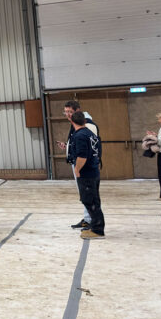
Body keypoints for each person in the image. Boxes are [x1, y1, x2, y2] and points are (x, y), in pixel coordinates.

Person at [57, 100, 100, 230]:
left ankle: (94, 222)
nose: (68, 114)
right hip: (80, 164)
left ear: (78, 111)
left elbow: (88, 146)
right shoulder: (77, 125)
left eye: (70, 112)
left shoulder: (87, 124)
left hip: (85, 167)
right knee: (85, 195)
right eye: (66, 112)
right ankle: (88, 219)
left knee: (89, 195)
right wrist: (67, 146)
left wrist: (78, 168)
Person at [71, 111, 104, 239]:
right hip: (94, 171)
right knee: (94, 200)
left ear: (72, 122)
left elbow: (82, 156)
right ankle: (96, 227)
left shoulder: (79, 136)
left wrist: (77, 169)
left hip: (86, 173)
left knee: (89, 200)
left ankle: (97, 230)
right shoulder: (90, 133)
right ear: (85, 121)